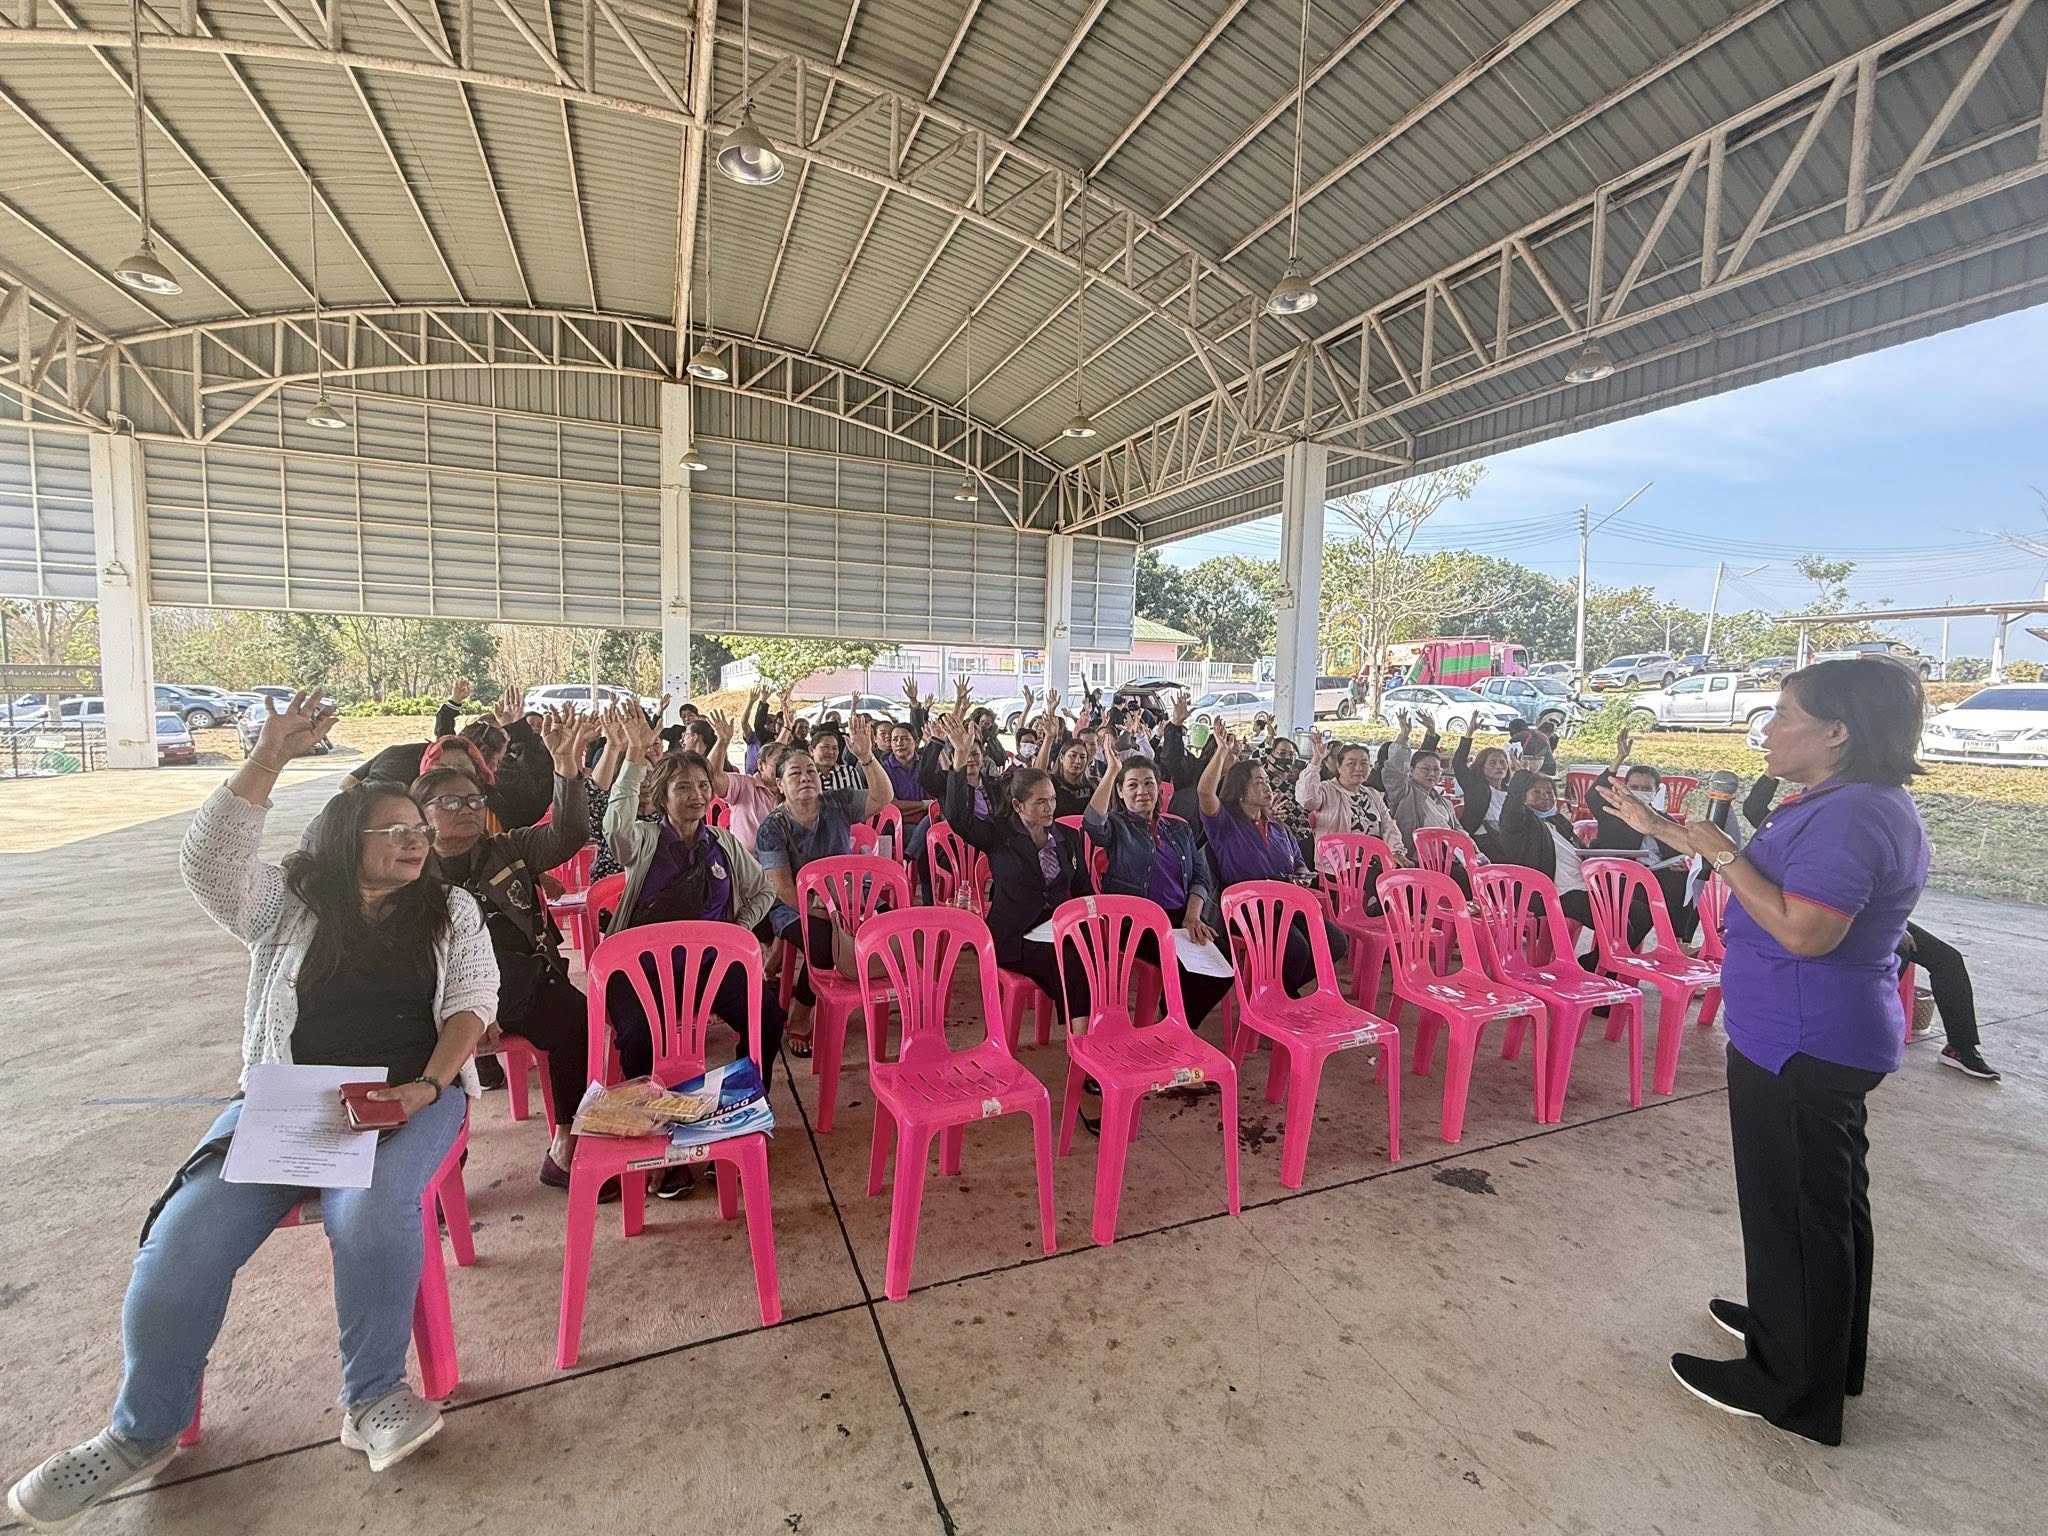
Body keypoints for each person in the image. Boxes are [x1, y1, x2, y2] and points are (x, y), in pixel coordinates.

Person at [7, 692, 498, 1527]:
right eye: (396, 829)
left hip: (407, 1102)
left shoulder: (449, 911)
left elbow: (471, 1004)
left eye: (419, 826)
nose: (417, 838)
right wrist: (267, 759)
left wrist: (424, 1087)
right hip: (286, 1102)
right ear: (349, 842)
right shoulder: (289, 907)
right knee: (184, 1236)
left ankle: (372, 1397)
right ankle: (140, 1431)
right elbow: (208, 866)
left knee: (370, 1218)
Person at [1596, 657, 1931, 1446]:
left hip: (1804, 1035)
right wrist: (1665, 830)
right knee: (1827, 1200)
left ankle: (1790, 1387)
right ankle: (1816, 1341)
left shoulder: (1851, 816)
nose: (1770, 730)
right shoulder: (1847, 801)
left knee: (1795, 1206)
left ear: (1838, 732)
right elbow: (1772, 878)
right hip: (1813, 1030)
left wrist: (1718, 853)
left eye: (1784, 715)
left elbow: (1803, 930)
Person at [412, 704, 598, 1187]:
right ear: (421, 815)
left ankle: (565, 1143)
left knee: (579, 1019)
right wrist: (473, 1011)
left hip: (522, 985)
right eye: (449, 803)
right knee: (408, 1049)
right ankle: (437, 1168)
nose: (466, 811)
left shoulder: (506, 847)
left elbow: (569, 834)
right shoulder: (408, 873)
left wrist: (567, 768)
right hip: (439, 1003)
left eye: (473, 801)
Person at [1742, 775, 1998, 1081]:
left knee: (1946, 958)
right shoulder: (1793, 818)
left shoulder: (1863, 806)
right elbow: (1753, 807)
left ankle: (1961, 1046)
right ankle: (1852, 1039)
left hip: (1863, 915)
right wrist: (1771, 774)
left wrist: (1891, 925)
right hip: (1811, 919)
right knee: (1890, 957)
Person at [598, 705, 787, 1081]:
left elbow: (764, 891)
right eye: (682, 787)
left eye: (702, 786)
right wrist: (634, 756)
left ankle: (747, 1092)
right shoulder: (645, 840)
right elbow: (616, 828)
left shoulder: (722, 843)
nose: (697, 795)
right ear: (663, 796)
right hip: (641, 970)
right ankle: (644, 1109)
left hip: (709, 966)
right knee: (638, 1036)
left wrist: (736, 928)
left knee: (767, 1014)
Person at [934, 716, 1093, 1022]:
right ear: (1019, 806)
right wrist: (959, 761)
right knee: (1074, 963)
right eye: (1040, 802)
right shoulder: (999, 834)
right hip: (1014, 935)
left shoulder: (1067, 837)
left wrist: (1087, 923)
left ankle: (1086, 1040)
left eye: (1053, 801)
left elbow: (1083, 888)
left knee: (1090, 955)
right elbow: (958, 818)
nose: (1050, 808)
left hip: (1056, 928)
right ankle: (1081, 1048)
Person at [755, 721, 892, 1057]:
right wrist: (827, 913)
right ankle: (802, 1012)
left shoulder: (837, 803)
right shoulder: (773, 827)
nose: (805, 778)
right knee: (822, 944)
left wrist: (867, 757)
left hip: (847, 899)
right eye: (795, 774)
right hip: (795, 907)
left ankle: (868, 992)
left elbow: (882, 798)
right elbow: (784, 887)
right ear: (780, 784)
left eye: (811, 771)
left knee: (889, 928)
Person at [1082, 726, 1232, 1031]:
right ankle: (1177, 1031)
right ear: (1121, 793)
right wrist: (1111, 771)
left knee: (1223, 969)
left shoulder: (1178, 829)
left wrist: (1192, 916)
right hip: (1134, 925)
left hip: (1179, 919)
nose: (1142, 792)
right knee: (1188, 967)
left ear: (1160, 790)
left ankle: (1174, 1024)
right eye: (1133, 785)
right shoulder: (1118, 827)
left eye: (1149, 784)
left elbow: (1201, 876)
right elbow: (1092, 823)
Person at [1197, 727, 1347, 994]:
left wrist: (1302, 874)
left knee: (1335, 941)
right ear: (1241, 790)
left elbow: (1299, 862)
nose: (1267, 786)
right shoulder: (1226, 825)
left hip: (1284, 904)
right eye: (1258, 782)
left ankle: (1278, 990)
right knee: (1296, 948)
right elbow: (1206, 794)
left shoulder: (1278, 828)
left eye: (1266, 780)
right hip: (1246, 908)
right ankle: (1274, 997)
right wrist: (1221, 752)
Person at [1587, 732, 1698, 940]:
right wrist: (1618, 759)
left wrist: (1684, 861)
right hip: (1619, 876)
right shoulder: (1612, 812)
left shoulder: (1663, 820)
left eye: (1646, 789)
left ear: (1656, 792)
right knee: (1641, 908)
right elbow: (1593, 794)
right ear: (1624, 788)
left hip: (1655, 874)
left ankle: (1679, 942)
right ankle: (1614, 957)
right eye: (1634, 787)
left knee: (1691, 883)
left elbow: (1683, 847)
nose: (1640, 791)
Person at [1295, 731, 1409, 859]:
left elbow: (1388, 825)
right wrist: (1316, 761)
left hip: (1376, 860)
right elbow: (1306, 800)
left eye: (1364, 763)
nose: (1359, 768)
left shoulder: (1372, 793)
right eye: (1351, 763)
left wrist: (1396, 852)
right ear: (1339, 766)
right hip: (1340, 865)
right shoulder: (1326, 790)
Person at [1382, 712, 1460, 848]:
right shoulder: (1404, 793)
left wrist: (1473, 849)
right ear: (1411, 771)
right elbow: (1394, 770)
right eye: (1425, 769)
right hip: (1417, 858)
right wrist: (1403, 736)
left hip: (1449, 856)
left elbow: (1458, 831)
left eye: (1436, 770)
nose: (1431, 773)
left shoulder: (1445, 803)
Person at [1449, 726, 1513, 840]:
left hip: (1507, 836)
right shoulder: (1475, 787)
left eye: (1503, 762)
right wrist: (1468, 735)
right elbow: (1458, 763)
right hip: (1481, 837)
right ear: (1482, 766)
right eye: (1493, 763)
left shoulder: (1512, 792)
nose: (1499, 766)